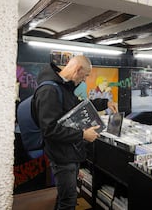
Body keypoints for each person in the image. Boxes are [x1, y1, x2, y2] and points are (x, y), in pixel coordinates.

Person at [33, 55, 118, 210]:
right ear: (78, 69)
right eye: (85, 75)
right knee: (68, 201)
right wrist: (82, 135)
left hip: (68, 152)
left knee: (64, 196)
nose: (84, 80)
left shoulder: (63, 87)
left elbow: (79, 106)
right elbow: (49, 129)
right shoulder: (49, 90)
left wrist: (105, 103)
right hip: (62, 156)